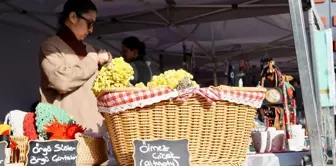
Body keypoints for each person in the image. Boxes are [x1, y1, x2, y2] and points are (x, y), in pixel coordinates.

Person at [39, 0, 111, 134]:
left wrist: (107, 59)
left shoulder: (89, 48)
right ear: (73, 17)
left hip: (95, 130)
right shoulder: (50, 46)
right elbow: (62, 82)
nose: (91, 30)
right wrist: (93, 59)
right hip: (65, 132)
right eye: (90, 23)